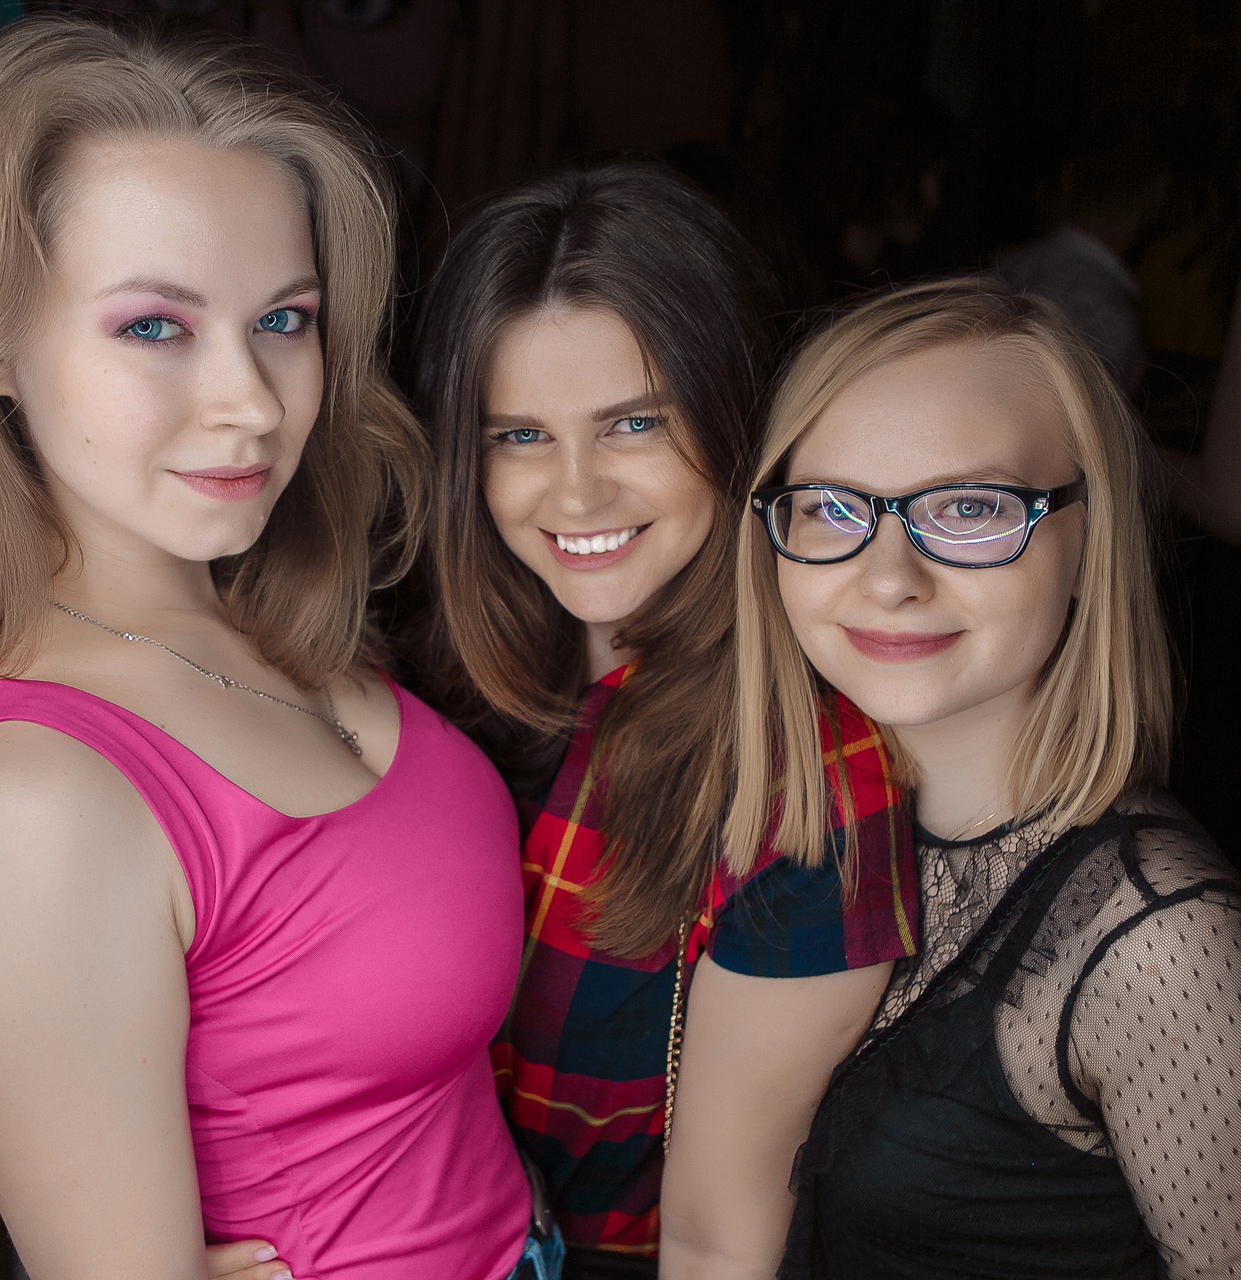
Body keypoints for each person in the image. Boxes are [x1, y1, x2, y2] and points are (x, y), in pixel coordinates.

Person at [0, 16, 546, 1280]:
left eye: (284, 319)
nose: (252, 402)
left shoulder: (267, 621)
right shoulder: (35, 802)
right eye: (154, 328)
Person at [731, 279, 1241, 1277]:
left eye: (971, 507)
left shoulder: (1166, 952)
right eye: (833, 507)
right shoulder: (802, 827)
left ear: (1090, 537)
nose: (888, 576)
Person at [410, 161, 920, 1280]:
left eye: (634, 423)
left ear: (732, 416)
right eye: (519, 436)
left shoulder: (804, 782)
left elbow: (717, 1243)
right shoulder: (423, 689)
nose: (576, 493)